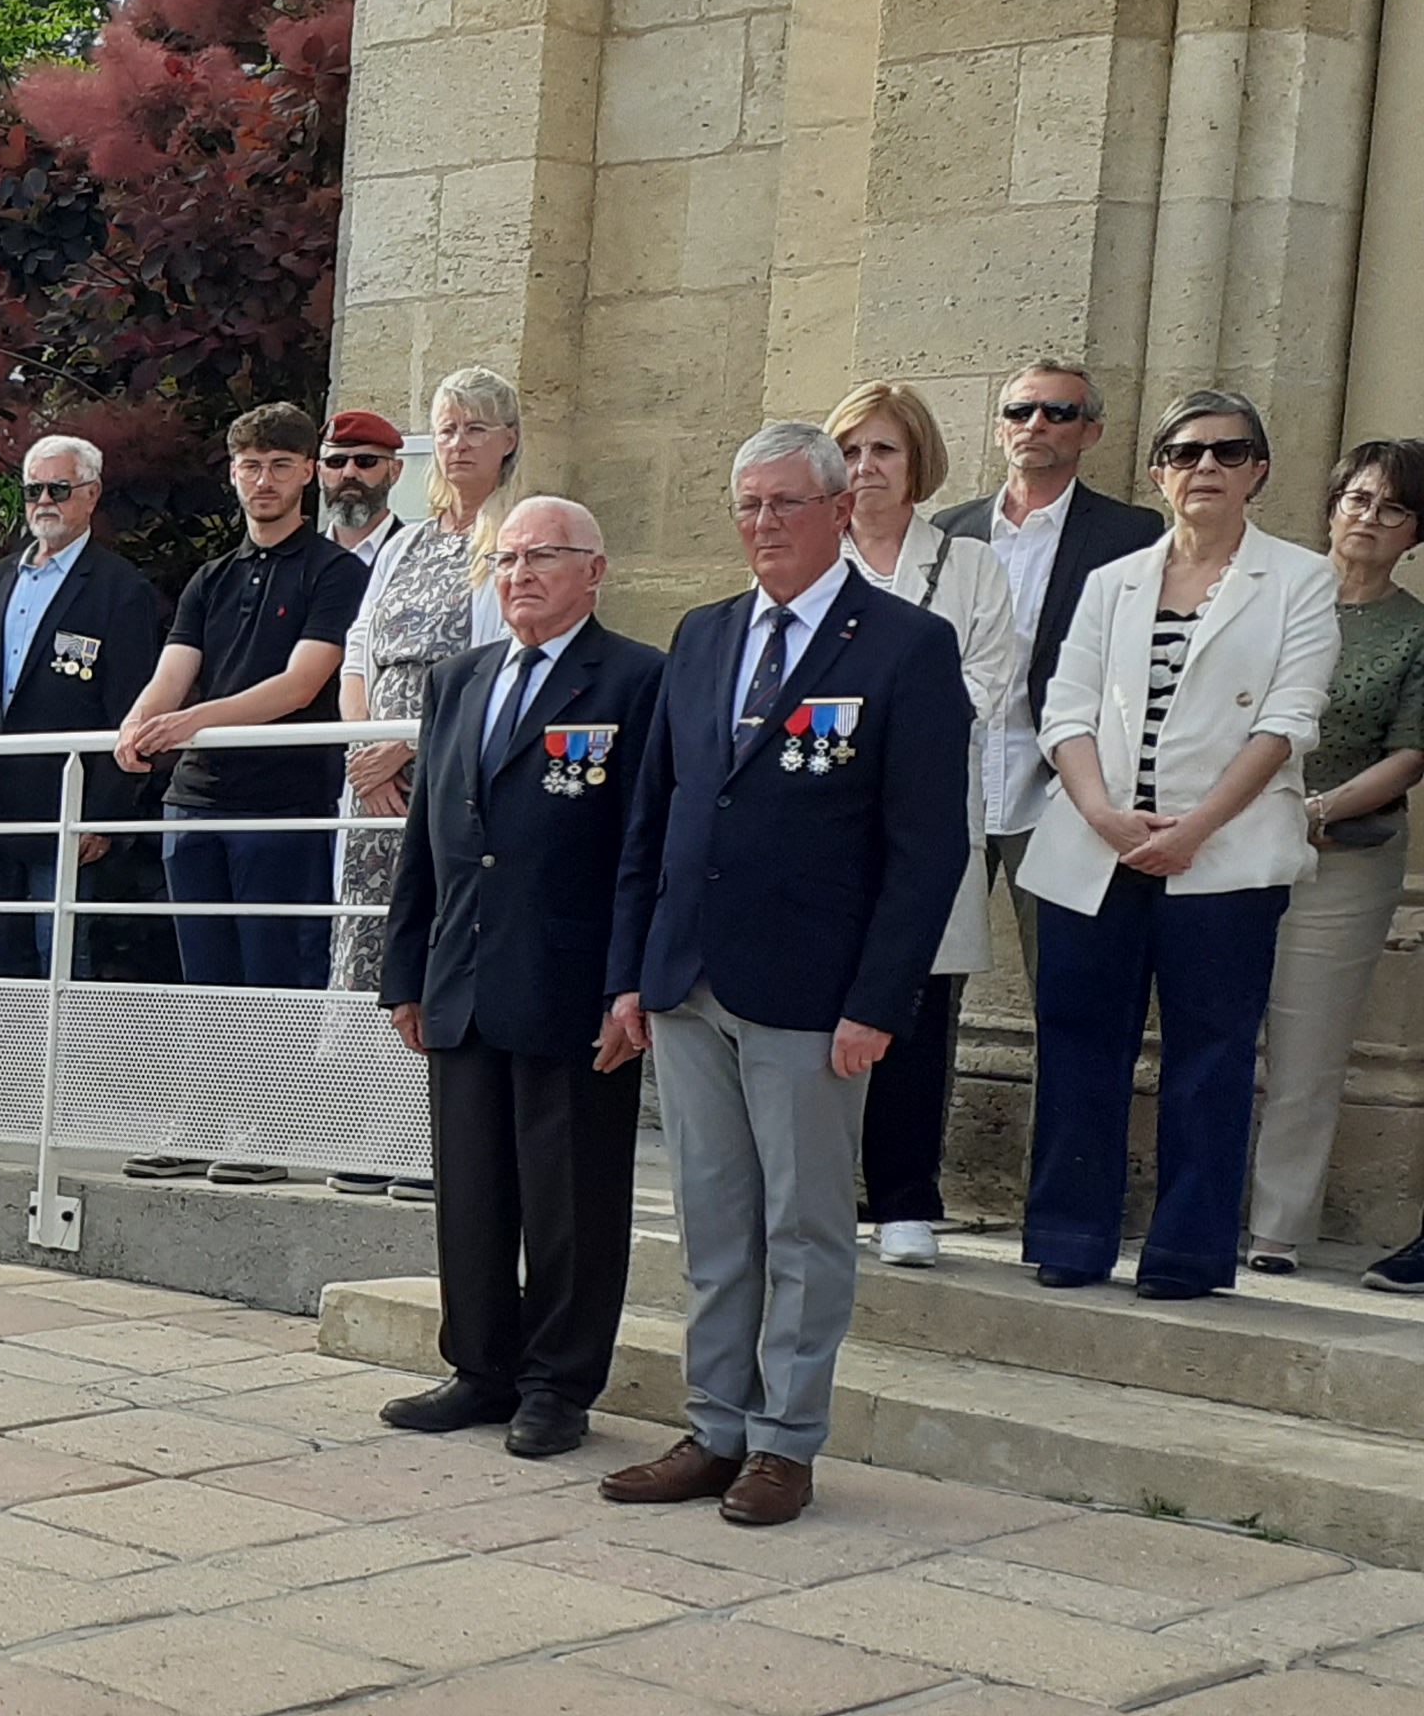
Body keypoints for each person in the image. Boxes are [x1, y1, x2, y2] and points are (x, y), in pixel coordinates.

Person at [605, 422, 972, 1525]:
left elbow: (927, 850)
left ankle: (785, 1443)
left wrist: (879, 1001)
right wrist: (633, 974)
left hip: (815, 992)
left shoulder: (905, 646)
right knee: (714, 1223)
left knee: (805, 1228)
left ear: (838, 511)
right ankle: (715, 1426)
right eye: (748, 506)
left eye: (785, 504)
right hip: (690, 981)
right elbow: (657, 817)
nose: (763, 524)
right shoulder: (704, 634)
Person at [1015, 393, 1337, 1299]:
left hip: (1224, 854)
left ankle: (1188, 1254)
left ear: (1258, 471)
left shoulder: (1301, 579)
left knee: (1211, 1056)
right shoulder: (1112, 581)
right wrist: (1104, 815)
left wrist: (1193, 829)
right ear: (1158, 471)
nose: (1207, 468)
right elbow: (1065, 709)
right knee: (1078, 1043)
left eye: (1230, 452)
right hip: (1098, 845)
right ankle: (1071, 1235)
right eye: (1187, 452)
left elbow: (1288, 721)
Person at [377, 499, 664, 1459]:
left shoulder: (636, 680)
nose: (521, 574)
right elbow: (425, 840)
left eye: (544, 556)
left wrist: (629, 985)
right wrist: (405, 971)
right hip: (462, 975)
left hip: (571, 981)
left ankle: (559, 1385)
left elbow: (643, 847)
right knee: (472, 1191)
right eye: (505, 558)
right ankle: (481, 1368)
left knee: (571, 1198)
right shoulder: (459, 679)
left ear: (595, 570)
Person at [823, 382, 1025, 1269]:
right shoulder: (812, 558)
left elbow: (987, 684)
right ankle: (823, 1189)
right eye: (850, 451)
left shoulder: (970, 567)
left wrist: (877, 726)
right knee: (818, 1005)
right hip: (824, 816)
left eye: (884, 450)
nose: (865, 467)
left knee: (915, 1003)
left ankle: (906, 1196)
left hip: (926, 811)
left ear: (918, 464)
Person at [1248, 441, 1424, 1268]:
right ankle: (1196, 1209)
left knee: (1307, 1049)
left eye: (1393, 509)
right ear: (1331, 505)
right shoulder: (1270, 592)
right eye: (1357, 499)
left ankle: (1277, 1228)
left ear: (1415, 533)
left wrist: (1313, 809)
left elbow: (1411, 753)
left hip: (1343, 855)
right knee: (1207, 1030)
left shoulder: (1414, 630)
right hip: (1227, 836)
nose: (1369, 519)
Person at [119, 403, 365, 993]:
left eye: (280, 465)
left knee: (277, 983)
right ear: (232, 473)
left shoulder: (337, 572)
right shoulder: (211, 578)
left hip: (284, 803)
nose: (264, 480)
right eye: (251, 466)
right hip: (193, 802)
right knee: (206, 987)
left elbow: (301, 684)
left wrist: (190, 721)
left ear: (308, 472)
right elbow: (171, 676)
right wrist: (137, 722)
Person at [934, 357, 1164, 935]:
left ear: (1090, 432)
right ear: (1000, 428)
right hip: (953, 781)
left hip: (1058, 787)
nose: (1035, 423)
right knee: (929, 966)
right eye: (1020, 411)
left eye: (1058, 412)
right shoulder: (947, 531)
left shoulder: (1131, 534)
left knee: (1062, 968)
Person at [0, 434, 173, 983]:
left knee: (63, 958)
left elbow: (130, 711)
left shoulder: (121, 589)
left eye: (58, 489)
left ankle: (69, 1048)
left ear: (91, 494)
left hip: (65, 809)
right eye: (33, 490)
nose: (44, 501)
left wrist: (105, 816)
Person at [333, 370, 518, 999]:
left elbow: (501, 661)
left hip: (449, 764)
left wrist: (409, 746)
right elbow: (359, 650)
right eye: (447, 430)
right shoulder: (403, 544)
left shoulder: (511, 540)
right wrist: (367, 750)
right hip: (373, 778)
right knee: (364, 924)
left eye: (476, 429)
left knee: (436, 920)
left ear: (508, 440)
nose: (459, 443)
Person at [318, 409, 406, 560]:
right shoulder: (303, 559)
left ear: (394, 471)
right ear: (319, 472)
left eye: (365, 461)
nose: (349, 473)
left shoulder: (416, 556)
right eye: (336, 462)